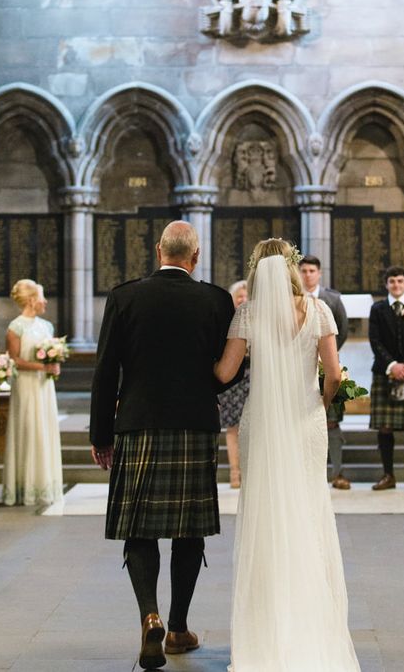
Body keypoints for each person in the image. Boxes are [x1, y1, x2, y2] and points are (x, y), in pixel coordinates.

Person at [89, 221, 237, 670]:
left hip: (138, 424)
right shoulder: (216, 300)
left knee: (140, 527)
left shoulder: (125, 296)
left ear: (158, 251)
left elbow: (104, 370)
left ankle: (148, 613)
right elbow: (228, 369)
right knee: (188, 529)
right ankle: (176, 628)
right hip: (194, 427)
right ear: (196, 256)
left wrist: (101, 434)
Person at [214, 238, 360, 672]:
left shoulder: (249, 312)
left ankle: (265, 635)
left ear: (258, 271)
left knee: (265, 512)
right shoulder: (319, 311)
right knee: (309, 510)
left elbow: (224, 372)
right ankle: (312, 628)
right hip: (306, 420)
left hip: (261, 419)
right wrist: (324, 400)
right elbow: (333, 375)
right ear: (295, 269)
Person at [3, 279, 63, 507]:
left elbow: (50, 355)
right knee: (28, 429)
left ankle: (45, 484)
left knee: (44, 429)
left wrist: (54, 364)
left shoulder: (46, 326)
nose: (45, 301)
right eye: (41, 297)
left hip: (44, 386)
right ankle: (26, 487)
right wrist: (42, 367)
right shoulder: (15, 327)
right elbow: (14, 360)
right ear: (30, 300)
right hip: (26, 385)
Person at [368, 266, 404, 491]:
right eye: (392, 281)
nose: (396, 285)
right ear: (386, 284)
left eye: (400, 281)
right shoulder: (378, 309)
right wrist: (392, 366)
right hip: (385, 371)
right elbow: (375, 341)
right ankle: (388, 475)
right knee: (385, 427)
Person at [299, 254, 351, 489]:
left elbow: (343, 329)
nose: (308, 275)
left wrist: (326, 357)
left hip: (326, 366)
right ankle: (308, 474)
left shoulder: (333, 298)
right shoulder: (293, 298)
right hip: (299, 369)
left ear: (319, 273)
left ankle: (337, 472)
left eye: (312, 271)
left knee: (331, 421)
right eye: (304, 271)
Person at [217, 280, 250, 489]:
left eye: (246, 297)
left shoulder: (258, 319)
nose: (243, 300)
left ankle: (250, 472)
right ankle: (235, 473)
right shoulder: (226, 320)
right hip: (232, 380)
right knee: (233, 428)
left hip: (252, 375)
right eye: (239, 297)